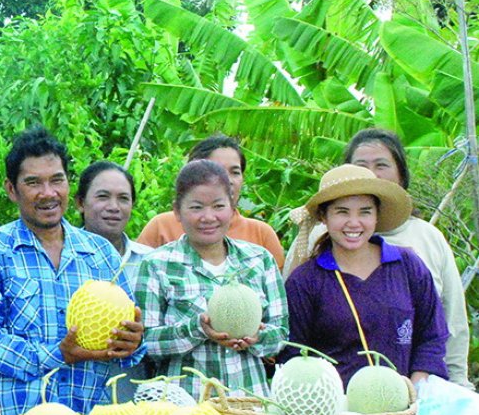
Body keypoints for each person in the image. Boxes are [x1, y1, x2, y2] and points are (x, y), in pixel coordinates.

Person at [0, 127, 145, 415]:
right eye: (33, 183)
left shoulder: (101, 253)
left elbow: (126, 346)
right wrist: (58, 354)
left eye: (57, 180)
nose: (48, 193)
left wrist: (132, 342)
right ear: (11, 189)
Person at [284, 128, 471, 388]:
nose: (353, 222)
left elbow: (433, 335)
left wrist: (417, 387)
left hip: (404, 411)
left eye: (365, 212)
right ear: (324, 217)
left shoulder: (408, 265)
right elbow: (294, 351)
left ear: (376, 216)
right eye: (341, 212)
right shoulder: (305, 280)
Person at [136, 160, 287, 399]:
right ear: (177, 210)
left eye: (218, 206)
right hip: (185, 409)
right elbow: (146, 343)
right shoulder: (157, 265)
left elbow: (281, 334)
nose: (208, 217)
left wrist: (257, 338)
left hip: (250, 406)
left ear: (232, 206)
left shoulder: (260, 260)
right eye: (196, 207)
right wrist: (197, 329)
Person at [137, 134, 285, 269]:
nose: (228, 180)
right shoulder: (161, 227)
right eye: (217, 171)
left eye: (235, 172)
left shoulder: (261, 234)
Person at [75, 160, 152, 287]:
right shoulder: (64, 259)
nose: (114, 207)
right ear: (80, 203)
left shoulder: (149, 261)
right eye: (103, 196)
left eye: (123, 198)